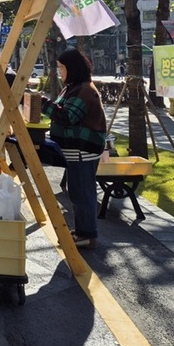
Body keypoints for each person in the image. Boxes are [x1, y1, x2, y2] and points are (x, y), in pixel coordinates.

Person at [42, 49, 107, 250]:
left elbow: (67, 117)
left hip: (83, 150)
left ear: (73, 69)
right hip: (77, 150)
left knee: (82, 193)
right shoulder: (73, 87)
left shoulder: (84, 90)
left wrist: (42, 104)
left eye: (62, 68)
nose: (59, 72)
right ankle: (82, 231)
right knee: (77, 192)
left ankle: (87, 234)